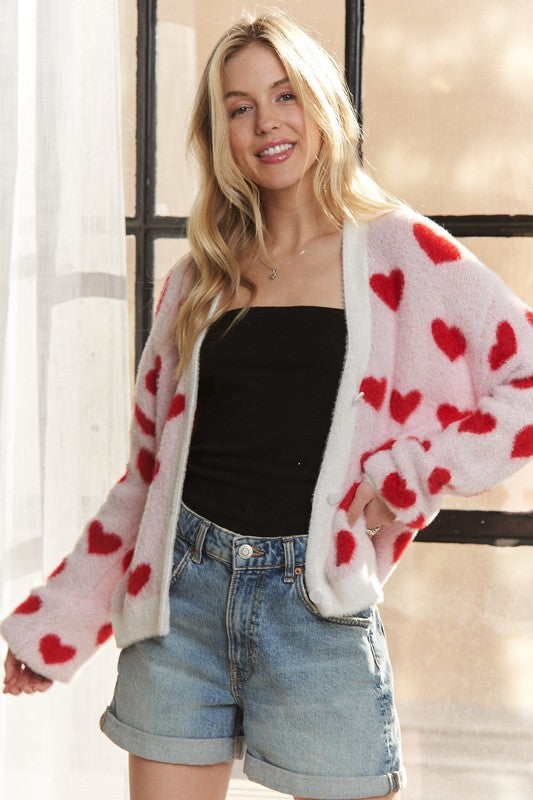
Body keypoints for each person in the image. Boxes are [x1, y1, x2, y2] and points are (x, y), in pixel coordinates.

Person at [2, 10, 533, 800]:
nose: (266, 123)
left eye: (285, 95)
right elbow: (145, 482)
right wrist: (59, 624)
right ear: (219, 132)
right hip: (179, 604)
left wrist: (408, 477)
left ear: (321, 104)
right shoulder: (198, 278)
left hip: (316, 605)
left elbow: (523, 377)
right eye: (239, 106)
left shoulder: (399, 250)